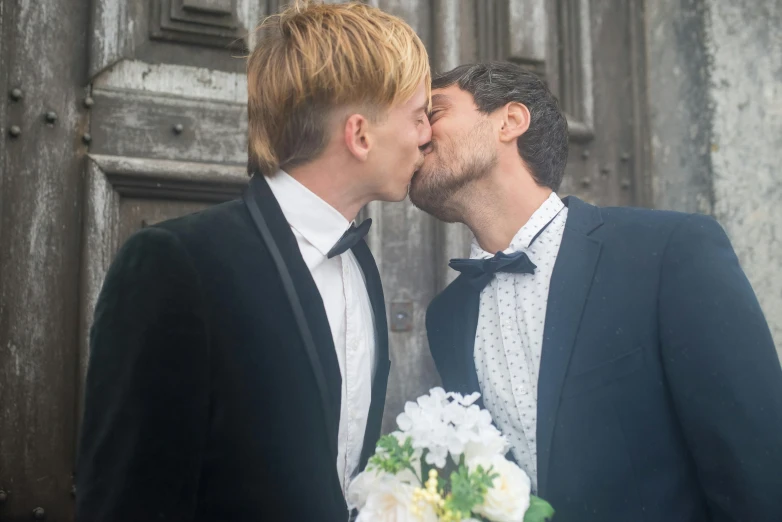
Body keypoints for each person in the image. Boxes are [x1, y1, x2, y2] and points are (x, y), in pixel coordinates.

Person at [75, 3, 432, 521]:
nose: (427, 134)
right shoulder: (176, 264)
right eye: (418, 115)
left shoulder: (360, 265)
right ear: (359, 135)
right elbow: (125, 498)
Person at [411, 61, 782, 522]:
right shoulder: (447, 316)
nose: (417, 134)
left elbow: (758, 466)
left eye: (435, 112)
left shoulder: (668, 252)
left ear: (510, 121)